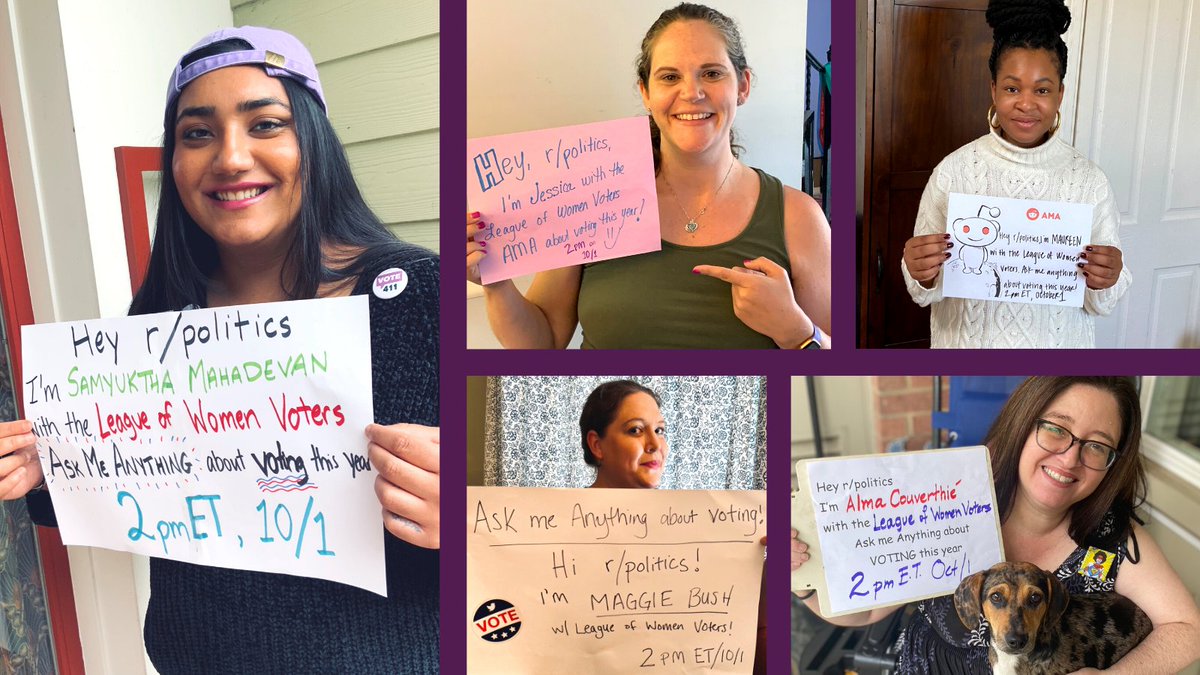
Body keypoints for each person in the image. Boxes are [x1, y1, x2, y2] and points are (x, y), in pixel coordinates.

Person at [0, 27, 441, 673]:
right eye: (197, 132)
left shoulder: (415, 296)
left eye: (265, 123)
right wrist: (51, 464)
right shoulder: (163, 313)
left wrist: (473, 515)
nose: (230, 158)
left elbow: (529, 528)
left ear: (313, 142)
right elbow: (148, 490)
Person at [467, 3, 832, 349]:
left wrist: (797, 332)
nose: (692, 92)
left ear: (743, 86)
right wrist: (496, 283)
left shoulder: (799, 217)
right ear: (645, 92)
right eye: (670, 76)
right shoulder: (590, 197)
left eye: (712, 73)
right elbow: (541, 343)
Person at [791, 377, 1200, 674]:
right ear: (1024, 425)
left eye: (1097, 445)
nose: (1070, 458)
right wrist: (804, 580)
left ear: (1114, 463)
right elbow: (865, 615)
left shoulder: (1112, 541)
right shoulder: (949, 508)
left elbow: (1187, 629)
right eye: (1056, 429)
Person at [900, 0, 1130, 348]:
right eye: (1012, 88)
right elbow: (923, 292)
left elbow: (1103, 303)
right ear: (993, 89)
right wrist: (919, 271)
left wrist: (1107, 278)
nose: (1026, 103)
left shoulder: (1089, 182)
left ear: (1059, 95)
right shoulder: (953, 172)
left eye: (1042, 89)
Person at [579, 379, 769, 672]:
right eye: (636, 430)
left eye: (660, 430)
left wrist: (765, 570)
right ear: (597, 445)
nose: (656, 445)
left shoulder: (711, 531)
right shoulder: (558, 532)